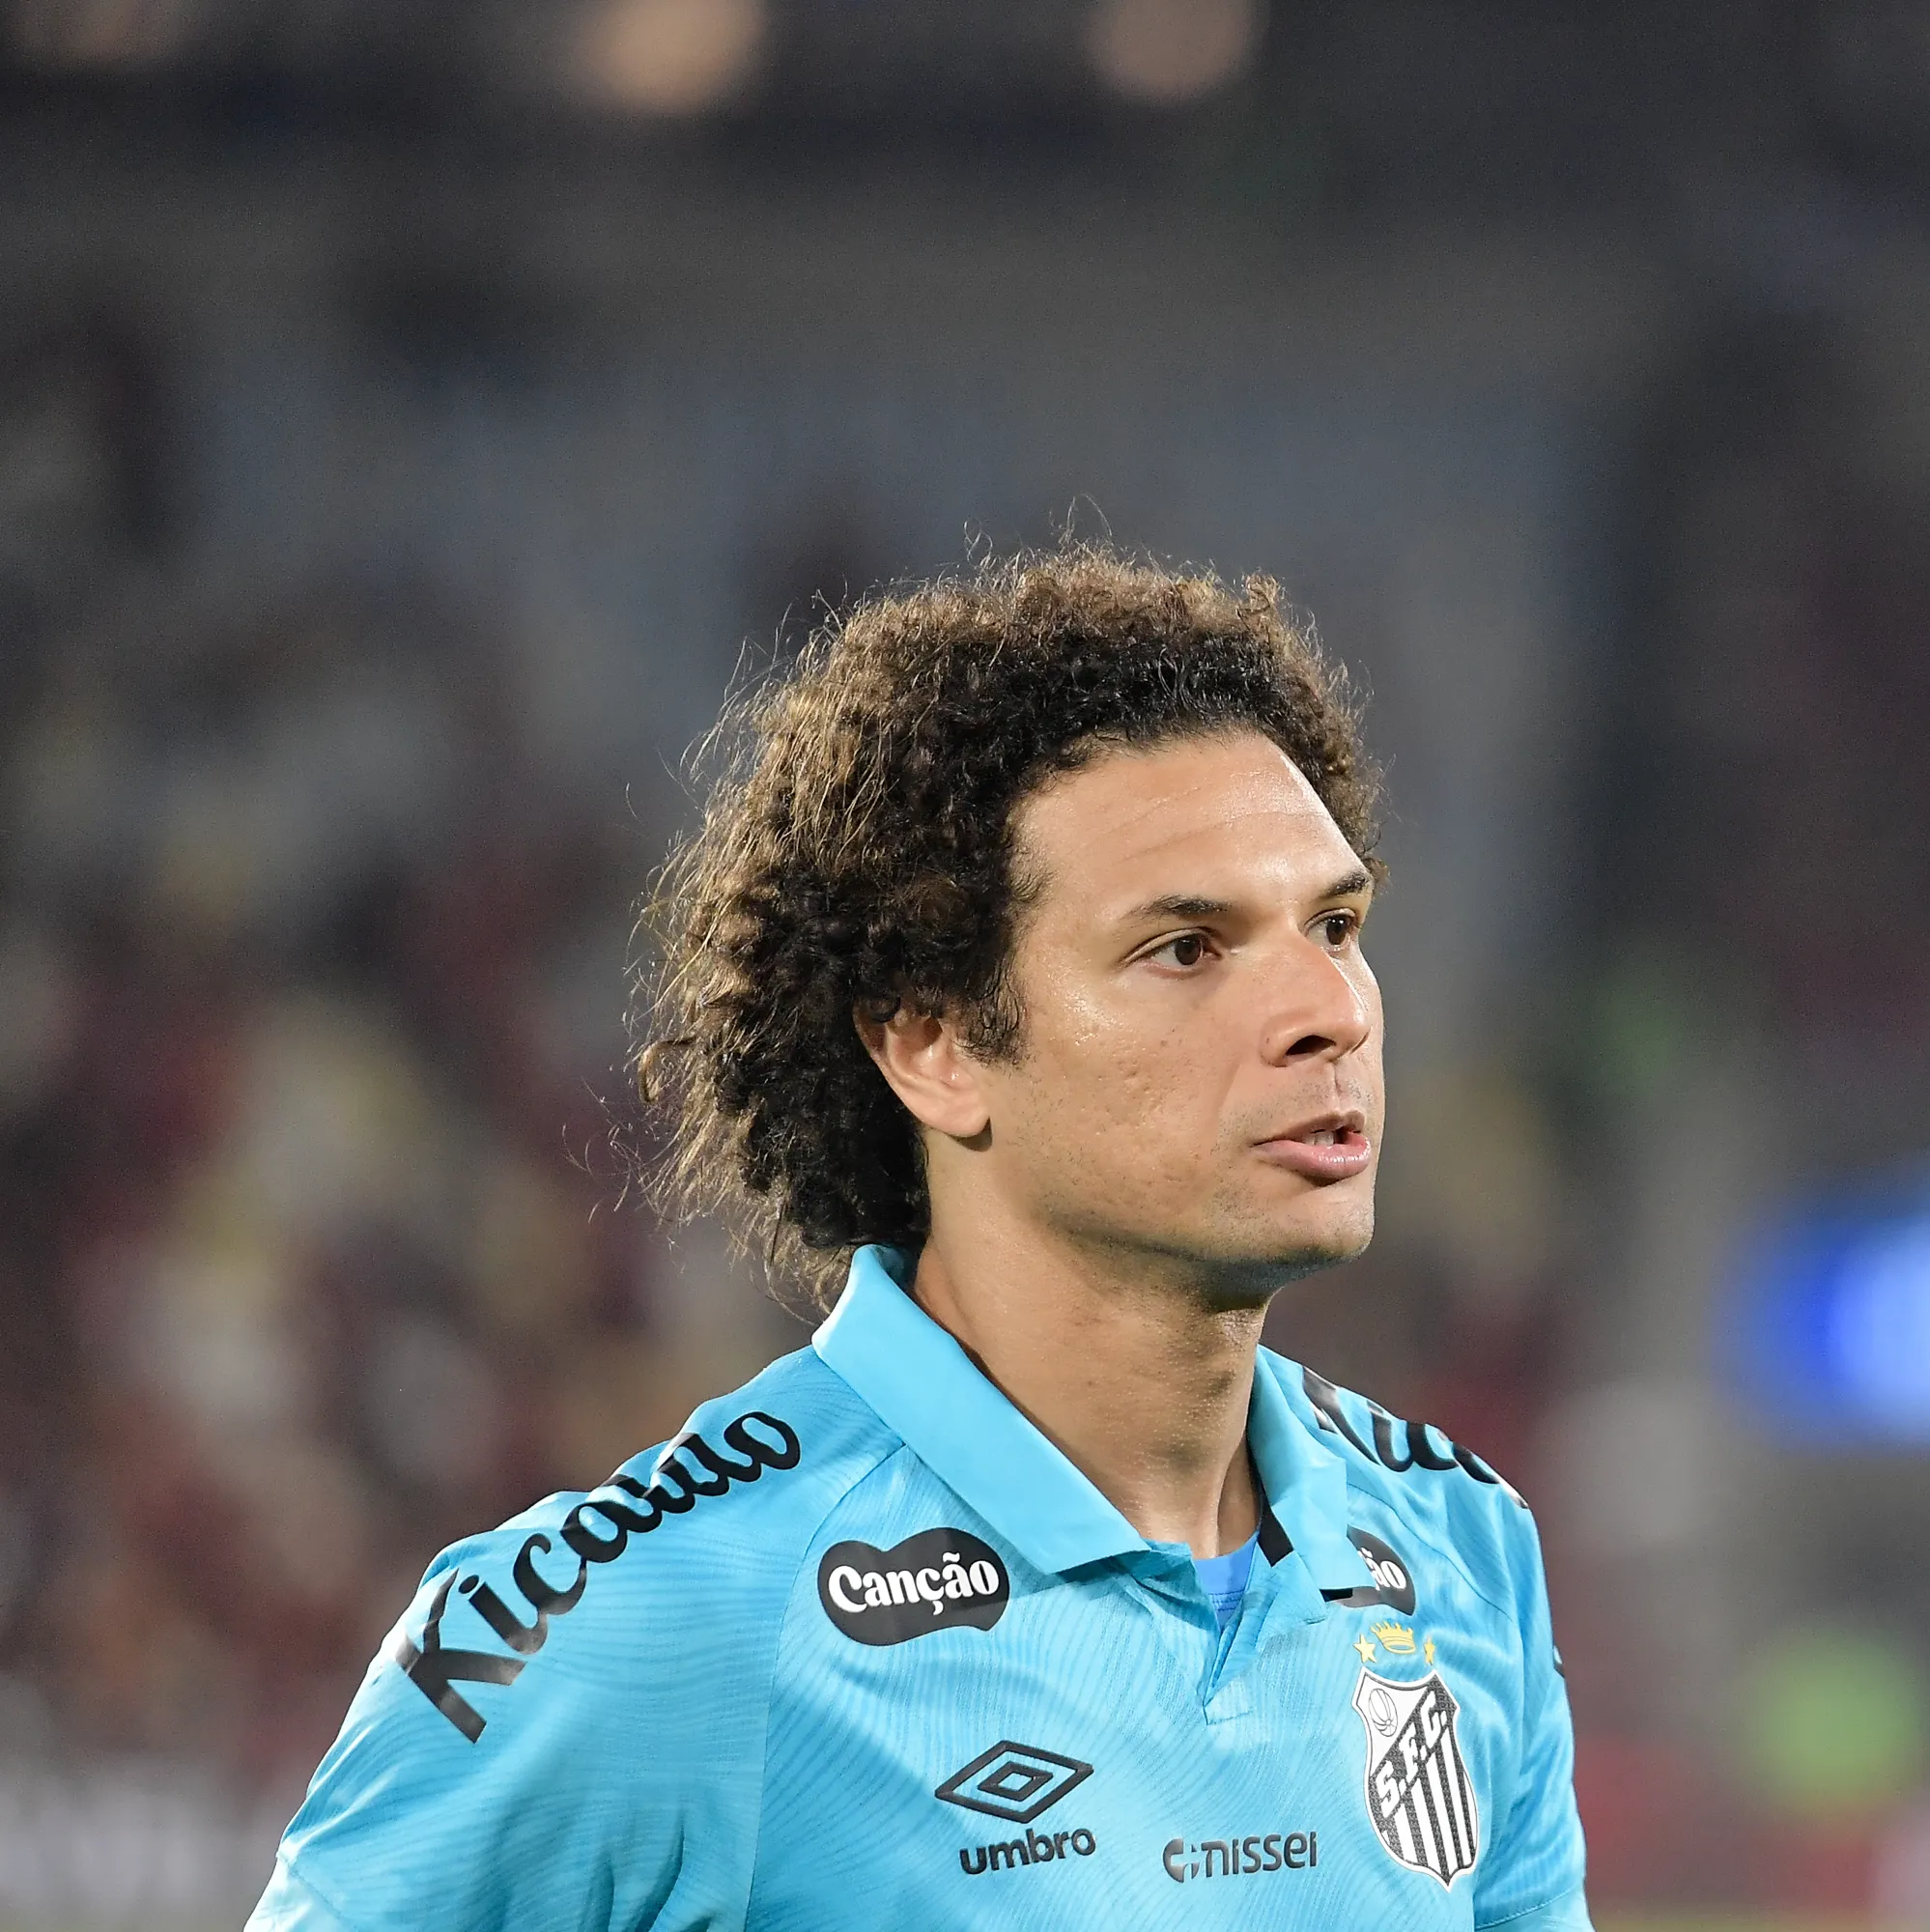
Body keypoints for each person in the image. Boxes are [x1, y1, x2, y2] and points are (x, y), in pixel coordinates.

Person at [249, 546, 1589, 1929]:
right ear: (932, 1042)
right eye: (1186, 947)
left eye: (1336, 924)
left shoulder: (1463, 1549)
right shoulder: (662, 1619)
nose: (1332, 1010)